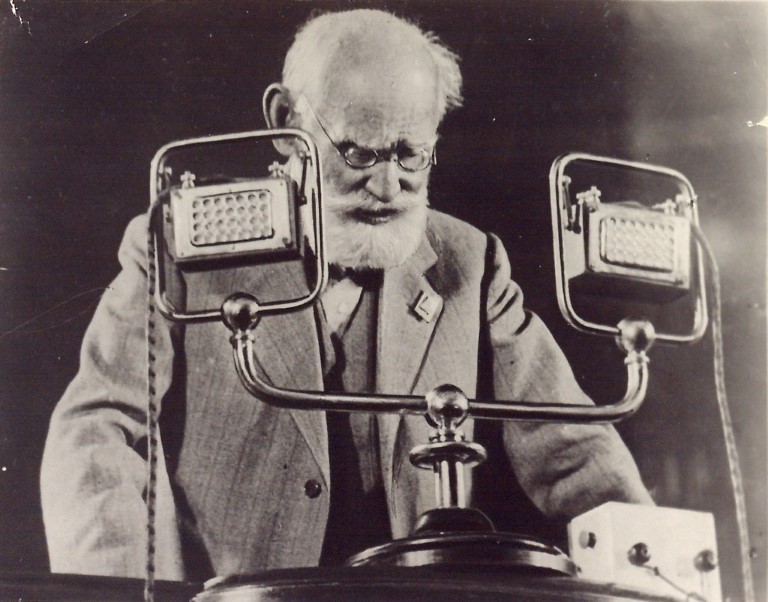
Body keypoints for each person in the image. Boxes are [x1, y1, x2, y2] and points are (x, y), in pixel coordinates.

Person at [40, 8, 653, 582]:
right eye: (358, 153)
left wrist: (656, 570)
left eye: (411, 154)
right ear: (285, 122)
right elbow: (98, 428)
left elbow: (575, 447)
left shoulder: (470, 259)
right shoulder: (182, 245)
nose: (387, 186)